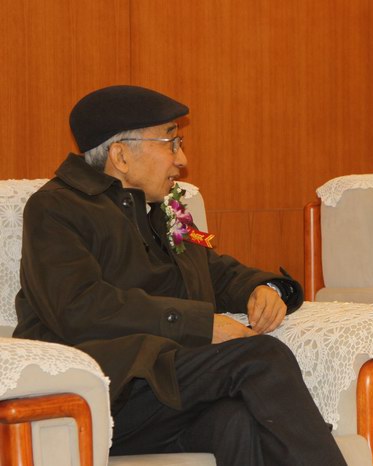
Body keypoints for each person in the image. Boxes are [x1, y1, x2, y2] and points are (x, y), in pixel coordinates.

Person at [14, 85, 347, 466]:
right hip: (109, 388)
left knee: (236, 422)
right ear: (121, 156)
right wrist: (201, 325)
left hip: (167, 387)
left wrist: (264, 287)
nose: (182, 160)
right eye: (170, 143)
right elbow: (79, 307)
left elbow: (212, 271)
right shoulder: (56, 209)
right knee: (261, 356)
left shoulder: (166, 208)